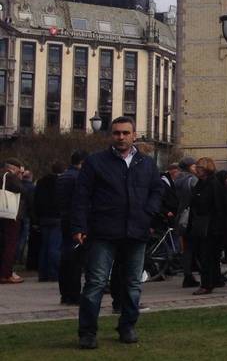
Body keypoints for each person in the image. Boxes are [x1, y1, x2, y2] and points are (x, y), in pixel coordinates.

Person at [71, 116, 164, 349]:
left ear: (134, 135)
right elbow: (81, 196)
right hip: (104, 230)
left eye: (125, 133)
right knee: (96, 283)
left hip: (136, 230)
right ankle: (88, 332)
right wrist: (79, 226)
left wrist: (148, 212)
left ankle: (127, 326)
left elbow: (157, 189)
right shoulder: (96, 162)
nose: (120, 137)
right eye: (116, 133)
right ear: (111, 135)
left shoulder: (146, 163)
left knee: (133, 283)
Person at [189, 158, 227, 295]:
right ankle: (213, 280)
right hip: (203, 224)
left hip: (211, 226)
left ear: (205, 169)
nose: (196, 170)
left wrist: (217, 227)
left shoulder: (213, 184)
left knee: (208, 256)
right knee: (207, 256)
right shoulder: (202, 183)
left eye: (199, 167)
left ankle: (207, 284)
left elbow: (218, 207)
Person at [57, 151, 87, 304]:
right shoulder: (78, 178)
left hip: (64, 218)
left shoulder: (63, 176)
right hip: (75, 221)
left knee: (66, 257)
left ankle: (65, 293)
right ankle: (74, 294)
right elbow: (79, 202)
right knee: (75, 259)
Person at [34, 162, 65, 282]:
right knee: (55, 247)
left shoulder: (41, 182)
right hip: (57, 217)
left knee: (44, 246)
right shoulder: (61, 182)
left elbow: (36, 199)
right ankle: (54, 273)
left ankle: (43, 273)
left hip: (44, 217)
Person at [172, 158, 199, 288]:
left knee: (187, 248)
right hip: (192, 216)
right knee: (196, 247)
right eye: (194, 166)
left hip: (181, 216)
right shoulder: (192, 180)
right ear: (189, 167)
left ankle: (187, 275)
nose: (196, 168)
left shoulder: (177, 180)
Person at [0, 159, 26, 284]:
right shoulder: (11, 177)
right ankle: (6, 273)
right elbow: (22, 190)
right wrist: (20, 177)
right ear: (15, 168)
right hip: (10, 214)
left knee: (2, 243)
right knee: (10, 244)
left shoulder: (2, 175)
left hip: (1, 214)